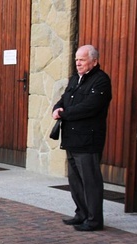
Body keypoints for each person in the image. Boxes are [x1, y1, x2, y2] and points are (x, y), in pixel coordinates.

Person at [52, 44, 112, 232]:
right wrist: (57, 108)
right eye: (76, 59)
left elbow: (90, 107)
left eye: (82, 60)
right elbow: (64, 98)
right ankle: (82, 214)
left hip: (88, 140)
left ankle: (94, 220)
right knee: (75, 180)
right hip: (71, 138)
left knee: (90, 181)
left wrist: (64, 113)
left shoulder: (101, 81)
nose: (78, 63)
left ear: (94, 61)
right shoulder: (74, 79)